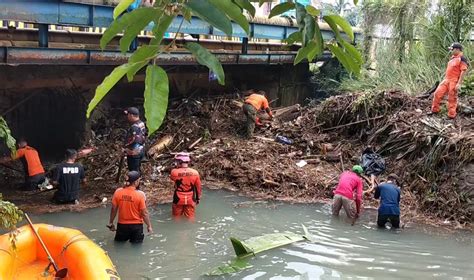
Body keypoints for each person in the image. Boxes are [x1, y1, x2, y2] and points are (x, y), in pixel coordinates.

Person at [108, 171, 153, 243]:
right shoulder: (140, 195)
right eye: (139, 180)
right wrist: (149, 226)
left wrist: (111, 222)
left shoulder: (118, 192)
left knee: (119, 246)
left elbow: (114, 209)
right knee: (136, 248)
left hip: (122, 226)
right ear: (135, 182)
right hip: (136, 226)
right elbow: (144, 213)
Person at [431, 42, 470, 119]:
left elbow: (463, 71)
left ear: (457, 49)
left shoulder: (462, 58)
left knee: (452, 98)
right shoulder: (452, 58)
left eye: (452, 49)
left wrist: (459, 83)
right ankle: (435, 110)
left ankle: (451, 115)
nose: (451, 51)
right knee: (437, 93)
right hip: (446, 79)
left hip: (454, 81)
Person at [170, 152, 202, 220]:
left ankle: (177, 229)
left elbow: (172, 179)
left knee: (176, 216)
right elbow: (198, 187)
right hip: (190, 197)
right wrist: (198, 198)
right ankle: (191, 229)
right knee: (191, 217)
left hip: (178, 197)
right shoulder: (195, 172)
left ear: (179, 161)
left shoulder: (174, 172)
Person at [124, 107, 146, 172]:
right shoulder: (141, 123)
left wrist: (126, 148)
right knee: (137, 169)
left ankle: (135, 182)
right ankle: (137, 181)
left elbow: (134, 140)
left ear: (131, 115)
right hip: (141, 149)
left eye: (128, 115)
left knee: (133, 171)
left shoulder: (134, 127)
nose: (127, 117)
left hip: (134, 152)